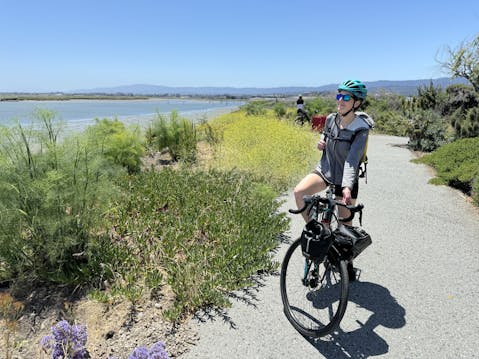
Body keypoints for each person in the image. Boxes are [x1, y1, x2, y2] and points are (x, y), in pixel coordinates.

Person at [293, 79, 373, 280]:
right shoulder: (331, 119)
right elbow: (325, 135)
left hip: (345, 179)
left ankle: (347, 264)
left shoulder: (360, 129)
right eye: (339, 96)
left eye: (346, 97)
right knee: (299, 193)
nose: (341, 100)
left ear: (357, 103)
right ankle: (318, 231)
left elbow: (352, 161)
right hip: (326, 170)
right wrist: (322, 142)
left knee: (346, 226)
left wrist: (346, 187)